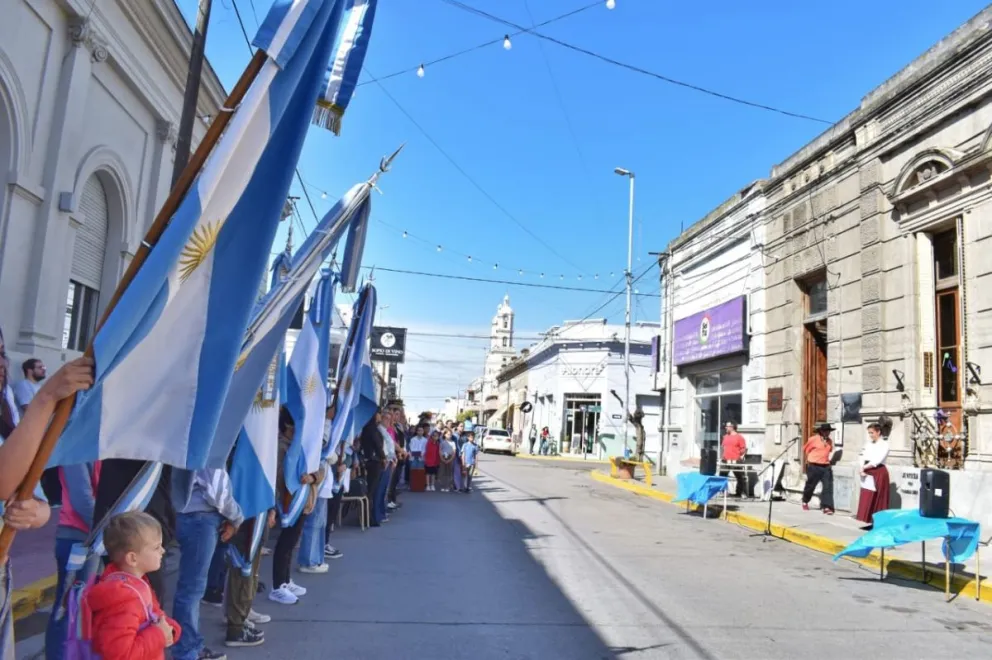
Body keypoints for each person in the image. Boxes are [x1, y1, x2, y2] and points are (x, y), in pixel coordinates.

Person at [0, 339, 91, 660]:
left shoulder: (7, 425)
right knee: (66, 610)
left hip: (2, 569)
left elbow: (35, 503)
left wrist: (32, 512)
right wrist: (47, 398)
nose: (1, 362)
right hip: (79, 536)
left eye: (1, 352)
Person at [171, 467, 243, 660]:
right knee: (191, 590)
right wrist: (236, 516)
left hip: (193, 516)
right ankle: (187, 650)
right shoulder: (210, 440)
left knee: (190, 588)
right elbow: (216, 489)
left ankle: (188, 646)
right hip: (199, 517)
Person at [87, 511, 181, 660]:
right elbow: (120, 655)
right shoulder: (124, 600)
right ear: (132, 558)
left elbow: (154, 613)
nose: (162, 551)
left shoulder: (135, 582)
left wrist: (170, 629)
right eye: (156, 547)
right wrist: (159, 634)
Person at [46, 461, 101, 660]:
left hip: (95, 538)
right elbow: (81, 499)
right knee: (68, 610)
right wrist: (110, 532)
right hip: (77, 539)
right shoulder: (78, 452)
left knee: (82, 610)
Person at [269, 407, 309, 605]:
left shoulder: (297, 446)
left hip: (300, 499)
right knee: (285, 543)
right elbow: (278, 476)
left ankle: (285, 579)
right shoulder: (282, 447)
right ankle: (278, 585)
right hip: (287, 500)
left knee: (292, 543)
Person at [224, 510, 275, 648]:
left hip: (253, 522)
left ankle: (240, 620)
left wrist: (271, 509)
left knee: (248, 577)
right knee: (241, 578)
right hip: (244, 525)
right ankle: (235, 628)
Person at [855, 421, 891, 527]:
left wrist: (865, 467)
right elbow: (862, 455)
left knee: (879, 497)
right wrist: (861, 468)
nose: (870, 435)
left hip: (878, 471)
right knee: (868, 496)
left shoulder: (884, 445)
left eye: (872, 433)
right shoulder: (868, 444)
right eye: (869, 433)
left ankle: (878, 522)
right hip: (867, 471)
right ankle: (868, 520)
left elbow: (877, 460)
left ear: (878, 432)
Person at [801, 423, 835, 515]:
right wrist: (812, 458)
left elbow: (829, 451)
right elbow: (806, 449)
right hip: (814, 466)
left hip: (826, 466)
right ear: (821, 431)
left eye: (828, 431)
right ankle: (805, 501)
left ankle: (826, 507)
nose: (827, 433)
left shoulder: (830, 441)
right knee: (810, 486)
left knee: (827, 487)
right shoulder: (813, 439)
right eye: (825, 431)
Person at [360, 411, 386, 527]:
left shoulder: (370, 428)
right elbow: (377, 445)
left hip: (372, 460)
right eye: (379, 414)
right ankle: (368, 518)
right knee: (371, 490)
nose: (380, 416)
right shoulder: (371, 429)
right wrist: (383, 457)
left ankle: (369, 517)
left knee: (372, 490)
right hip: (374, 462)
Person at [720, 422, 748, 498]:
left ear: (732, 427)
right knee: (722, 476)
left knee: (739, 476)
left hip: (735, 460)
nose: (726, 428)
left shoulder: (739, 437)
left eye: (727, 426)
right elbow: (723, 447)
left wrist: (738, 454)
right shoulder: (725, 437)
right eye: (725, 426)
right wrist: (722, 456)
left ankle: (741, 492)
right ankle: (723, 492)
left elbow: (743, 448)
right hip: (726, 459)